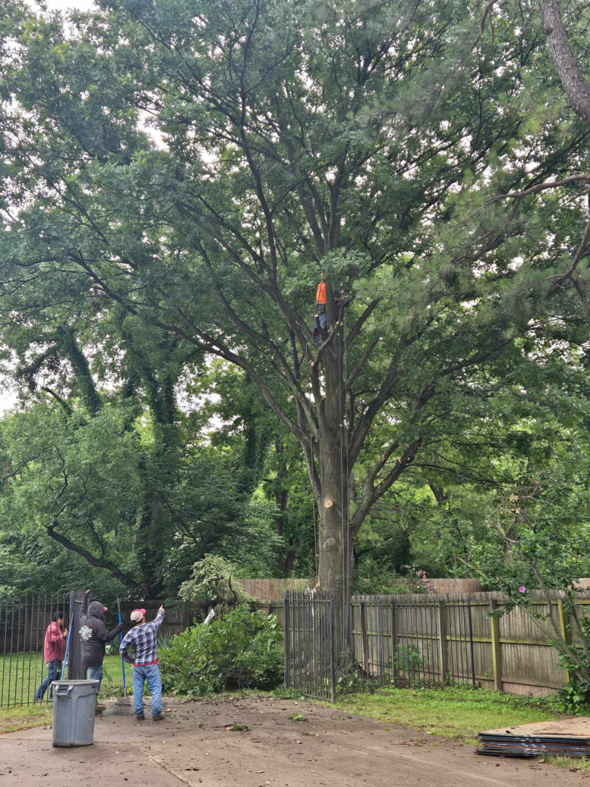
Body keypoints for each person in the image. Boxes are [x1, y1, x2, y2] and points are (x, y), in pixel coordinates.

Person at [79, 589, 124, 714]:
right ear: (97, 612)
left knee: (97, 677)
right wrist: (118, 629)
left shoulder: (83, 619)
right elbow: (106, 637)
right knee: (93, 682)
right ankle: (90, 706)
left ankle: (94, 702)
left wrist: (85, 597)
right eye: (102, 611)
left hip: (85, 656)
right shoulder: (98, 623)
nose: (103, 613)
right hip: (94, 656)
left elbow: (82, 610)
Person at [120, 606, 165, 722]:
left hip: (138, 666)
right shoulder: (151, 627)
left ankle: (139, 714)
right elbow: (159, 619)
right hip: (151, 664)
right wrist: (161, 610)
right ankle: (156, 714)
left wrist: (130, 659)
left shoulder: (131, 633)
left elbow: (122, 649)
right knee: (155, 688)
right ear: (143, 618)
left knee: (138, 689)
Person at [35, 611, 68, 701]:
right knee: (52, 676)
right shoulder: (53, 628)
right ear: (59, 619)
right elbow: (51, 639)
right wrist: (62, 636)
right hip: (53, 657)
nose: (63, 621)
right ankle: (38, 695)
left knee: (56, 676)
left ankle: (53, 696)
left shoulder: (56, 628)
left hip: (57, 656)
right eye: (62, 619)